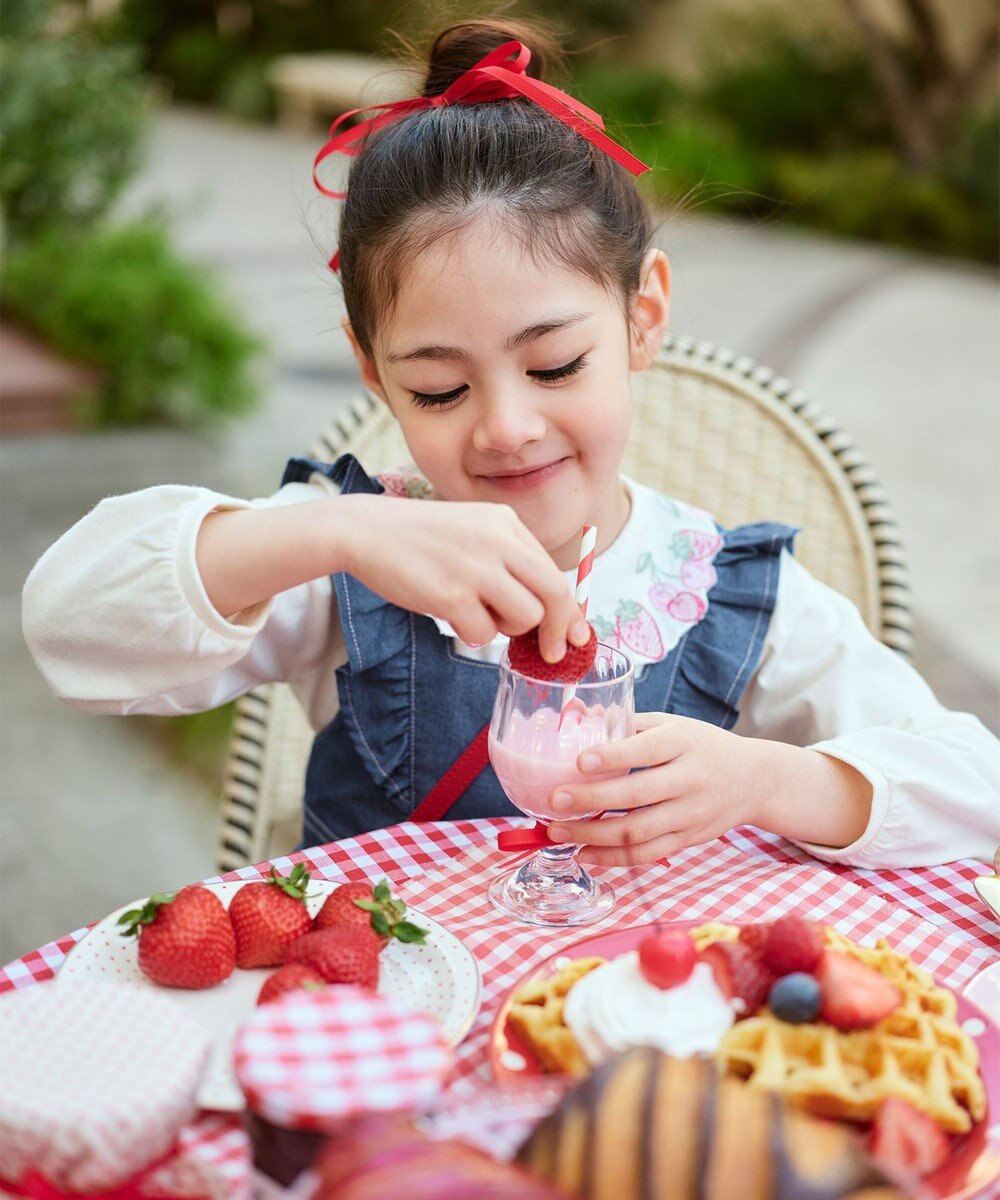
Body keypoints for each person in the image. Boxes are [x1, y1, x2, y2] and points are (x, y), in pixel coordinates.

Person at [22, 19, 999, 871]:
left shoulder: (729, 595)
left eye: (556, 365)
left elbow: (972, 788)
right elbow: (69, 632)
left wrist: (769, 780)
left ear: (642, 316)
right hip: (370, 1045)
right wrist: (331, 532)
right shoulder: (348, 562)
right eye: (438, 388)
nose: (505, 428)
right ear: (372, 369)